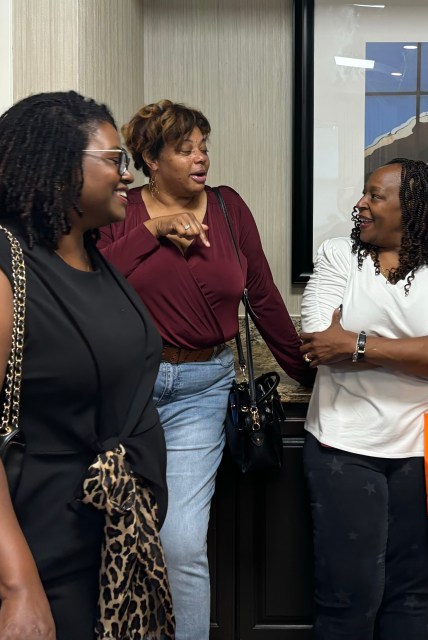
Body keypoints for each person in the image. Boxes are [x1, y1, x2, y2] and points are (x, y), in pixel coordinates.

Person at [0, 91, 173, 640]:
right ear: (59, 168)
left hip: (93, 533)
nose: (127, 175)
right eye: (114, 159)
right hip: (26, 545)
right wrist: (18, 588)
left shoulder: (90, 256)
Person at [97, 99, 314, 639]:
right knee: (109, 534)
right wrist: (153, 231)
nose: (201, 158)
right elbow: (94, 282)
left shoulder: (228, 208)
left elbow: (262, 296)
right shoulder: (120, 210)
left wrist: (309, 374)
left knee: (182, 543)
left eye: (204, 147)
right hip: (127, 391)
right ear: (151, 159)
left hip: (201, 389)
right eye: (184, 149)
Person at [298, 158, 428, 639]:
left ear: (411, 207)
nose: (360, 204)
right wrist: (421, 355)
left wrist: (356, 344)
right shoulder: (339, 255)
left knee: (412, 596)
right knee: (346, 597)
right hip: (342, 443)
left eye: (375, 196)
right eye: (364, 193)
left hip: (425, 448)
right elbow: (319, 344)